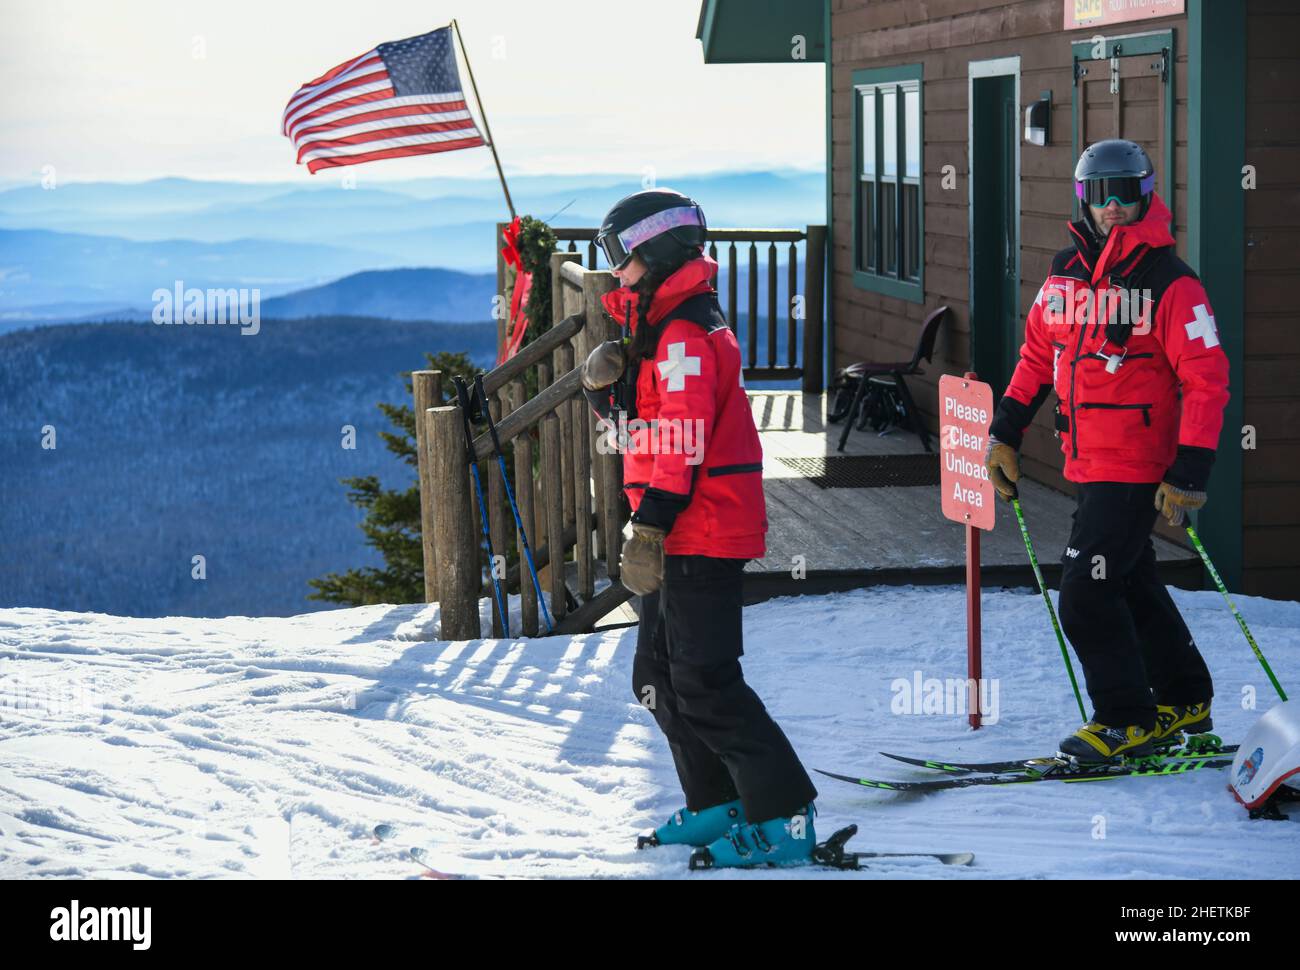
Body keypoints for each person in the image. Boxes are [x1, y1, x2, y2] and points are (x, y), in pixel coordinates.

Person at [582, 188, 818, 867]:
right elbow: (650, 431)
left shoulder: (685, 332)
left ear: (653, 252)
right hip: (673, 523)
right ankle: (721, 803)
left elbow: (683, 440)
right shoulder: (659, 327)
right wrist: (610, 399)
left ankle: (785, 814)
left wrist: (649, 525)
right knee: (656, 675)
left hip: (699, 527)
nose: (616, 272)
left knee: (705, 680)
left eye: (619, 257)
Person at [986, 139, 1230, 764]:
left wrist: (1190, 471)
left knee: (1086, 592)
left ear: (1147, 196)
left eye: (1128, 192)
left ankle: (1124, 718)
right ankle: (1184, 695)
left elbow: (1207, 378)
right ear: (1084, 198)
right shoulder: (1066, 273)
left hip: (1139, 463)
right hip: (1088, 460)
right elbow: (1037, 358)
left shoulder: (1171, 281)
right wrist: (1004, 432)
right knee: (1128, 577)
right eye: (1101, 193)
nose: (1114, 206)